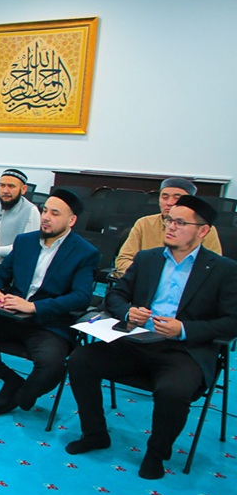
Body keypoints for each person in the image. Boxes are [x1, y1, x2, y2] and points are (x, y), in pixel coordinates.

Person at [66, 196, 237, 479]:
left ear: (203, 231)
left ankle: (156, 453)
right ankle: (95, 433)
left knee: (174, 391)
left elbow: (232, 322)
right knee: (80, 360)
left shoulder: (224, 269)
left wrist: (184, 329)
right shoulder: (148, 258)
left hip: (184, 351)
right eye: (169, 220)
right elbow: (115, 295)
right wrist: (128, 312)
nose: (171, 227)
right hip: (138, 340)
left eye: (180, 222)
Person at [0, 189, 99, 418]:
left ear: (71, 220)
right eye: (45, 211)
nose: (46, 217)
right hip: (10, 316)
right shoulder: (25, 241)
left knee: (51, 365)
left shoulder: (85, 252)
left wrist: (35, 307)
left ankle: (20, 395)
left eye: (55, 213)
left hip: (48, 323)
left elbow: (81, 297)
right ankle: (9, 380)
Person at [113, 177, 221, 278]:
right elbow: (123, 260)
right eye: (164, 197)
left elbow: (212, 267)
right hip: (144, 282)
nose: (169, 203)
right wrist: (150, 277)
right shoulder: (144, 223)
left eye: (177, 198)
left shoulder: (202, 229)